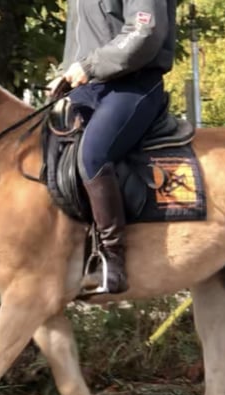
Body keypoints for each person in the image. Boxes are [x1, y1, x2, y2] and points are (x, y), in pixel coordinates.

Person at [50, 0, 177, 294]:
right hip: (88, 88)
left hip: (133, 85)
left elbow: (145, 32)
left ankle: (113, 261)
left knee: (92, 155)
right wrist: (64, 73)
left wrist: (89, 65)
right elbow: (82, 38)